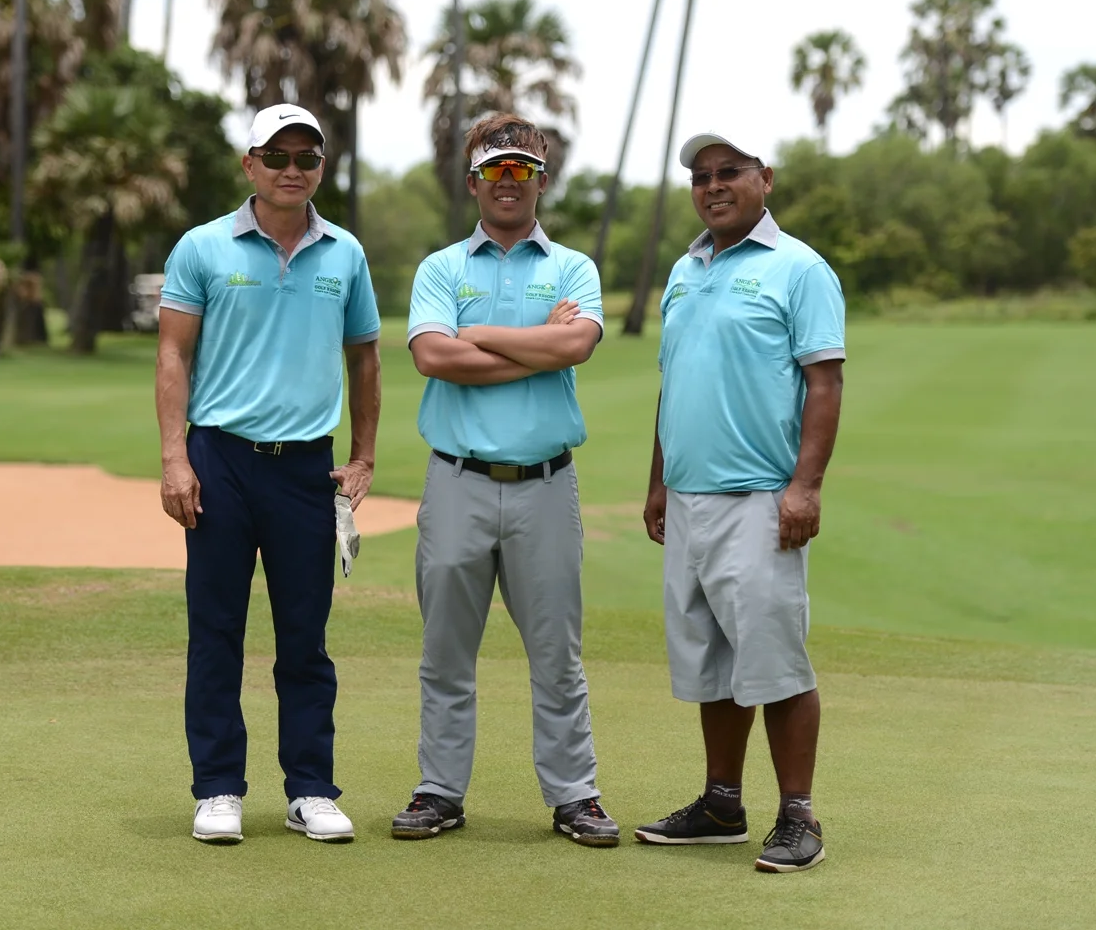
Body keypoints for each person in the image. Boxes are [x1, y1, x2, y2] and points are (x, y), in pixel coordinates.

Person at [154, 103, 382, 846]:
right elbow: (173, 354)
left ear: (321, 167)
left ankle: (310, 789)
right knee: (216, 630)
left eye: (306, 158)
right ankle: (218, 787)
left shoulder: (344, 253)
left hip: (306, 467)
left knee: (304, 638)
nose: (292, 169)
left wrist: (363, 455)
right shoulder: (202, 246)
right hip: (219, 459)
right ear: (249, 164)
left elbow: (364, 358)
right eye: (276, 156)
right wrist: (174, 457)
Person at [391, 112, 618, 847]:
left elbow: (576, 345)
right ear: (473, 181)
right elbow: (433, 357)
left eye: (523, 169)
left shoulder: (573, 268)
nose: (509, 181)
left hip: (545, 485)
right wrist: (538, 345)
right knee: (445, 652)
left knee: (557, 654)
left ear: (542, 179)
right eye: (495, 169)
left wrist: (481, 334)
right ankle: (439, 790)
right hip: (457, 480)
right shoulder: (442, 268)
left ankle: (574, 794)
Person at [635, 131, 846, 874]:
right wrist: (659, 481)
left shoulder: (799, 268)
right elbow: (675, 381)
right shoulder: (684, 269)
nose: (713, 185)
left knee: (773, 659)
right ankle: (722, 804)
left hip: (760, 498)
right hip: (689, 496)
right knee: (711, 660)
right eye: (701, 176)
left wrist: (805, 487)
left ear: (766, 178)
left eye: (730, 171)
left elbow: (825, 381)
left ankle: (798, 816)